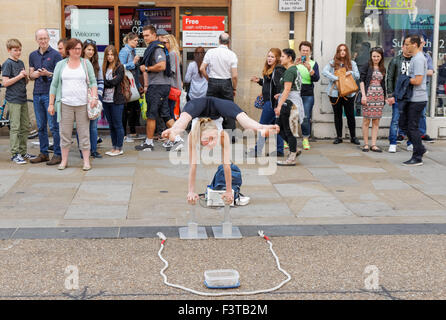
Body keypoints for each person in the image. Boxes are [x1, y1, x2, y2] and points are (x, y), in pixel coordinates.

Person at [161, 97, 279, 204]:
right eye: (207, 140)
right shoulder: (193, 135)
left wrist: (229, 191)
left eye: (213, 138)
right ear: (200, 136)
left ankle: (260, 127)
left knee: (243, 121)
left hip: (219, 105)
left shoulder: (223, 135)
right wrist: (190, 191)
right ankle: (174, 130)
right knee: (184, 119)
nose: (211, 143)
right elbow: (193, 166)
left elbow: (226, 165)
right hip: (197, 106)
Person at [48, 38, 98, 171]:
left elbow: (93, 82)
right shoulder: (60, 64)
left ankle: (86, 161)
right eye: (75, 48)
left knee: (84, 134)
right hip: (65, 104)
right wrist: (51, 104)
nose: (78, 51)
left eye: (79, 48)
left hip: (82, 104)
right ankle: (64, 161)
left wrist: (94, 97)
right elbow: (54, 85)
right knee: (64, 134)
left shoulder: (86, 64)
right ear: (68, 50)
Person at [136, 25, 175, 152]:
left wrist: (147, 68)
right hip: (160, 85)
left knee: (151, 115)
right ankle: (179, 138)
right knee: (165, 115)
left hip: (158, 86)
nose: (145, 38)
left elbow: (162, 65)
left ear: (154, 35)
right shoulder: (153, 48)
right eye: (144, 36)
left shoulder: (157, 48)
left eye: (147, 35)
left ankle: (149, 142)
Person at [28, 29, 62, 165]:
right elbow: (30, 75)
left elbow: (59, 76)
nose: (43, 41)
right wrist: (35, 74)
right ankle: (43, 153)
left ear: (49, 39)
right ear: (36, 40)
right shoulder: (32, 55)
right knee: (41, 126)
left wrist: (48, 73)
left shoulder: (56, 55)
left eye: (45, 38)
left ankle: (58, 154)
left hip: (50, 94)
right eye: (40, 39)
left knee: (53, 126)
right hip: (37, 94)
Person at [200, 33, 238, 136]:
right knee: (229, 108)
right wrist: (234, 88)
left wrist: (209, 79)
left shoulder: (211, 52)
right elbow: (234, 76)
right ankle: (231, 136)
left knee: (211, 108)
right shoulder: (232, 54)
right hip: (226, 82)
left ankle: (210, 134)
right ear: (229, 42)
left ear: (219, 41)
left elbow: (201, 68)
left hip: (213, 82)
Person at [249, 48, 285, 157]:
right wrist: (260, 81)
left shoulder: (277, 70)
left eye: (272, 57)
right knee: (275, 127)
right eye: (268, 56)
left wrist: (278, 101)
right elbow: (269, 84)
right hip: (269, 102)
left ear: (277, 58)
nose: (269, 58)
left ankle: (257, 150)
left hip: (271, 103)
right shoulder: (269, 69)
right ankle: (279, 150)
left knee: (263, 126)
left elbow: (279, 86)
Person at [399, 34, 428, 166]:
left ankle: (417, 156)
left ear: (414, 45)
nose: (405, 47)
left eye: (407, 44)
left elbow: (418, 80)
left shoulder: (418, 59)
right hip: (413, 98)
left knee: (412, 127)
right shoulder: (416, 58)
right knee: (405, 125)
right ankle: (420, 149)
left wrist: (404, 80)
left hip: (417, 99)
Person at [322, 44, 360, 145]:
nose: (342, 52)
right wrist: (337, 77)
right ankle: (339, 137)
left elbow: (357, 75)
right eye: (340, 50)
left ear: (347, 52)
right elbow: (324, 72)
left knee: (350, 115)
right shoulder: (332, 63)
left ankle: (353, 137)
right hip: (335, 93)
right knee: (337, 115)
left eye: (344, 50)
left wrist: (350, 72)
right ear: (337, 52)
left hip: (349, 93)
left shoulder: (352, 63)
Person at [1, 38, 32, 164]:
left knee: (25, 126)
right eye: (15, 50)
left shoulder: (21, 63)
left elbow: (24, 81)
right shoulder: (7, 63)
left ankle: (23, 152)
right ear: (9, 50)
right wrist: (19, 76)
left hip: (22, 98)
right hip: (13, 99)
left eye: (19, 50)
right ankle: (15, 154)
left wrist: (25, 78)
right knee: (15, 127)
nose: (18, 52)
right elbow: (5, 82)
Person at [274, 48, 305, 166]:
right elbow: (290, 89)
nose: (280, 58)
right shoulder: (291, 70)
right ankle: (294, 150)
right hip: (289, 101)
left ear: (289, 58)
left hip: (290, 104)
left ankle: (292, 157)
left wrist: (279, 105)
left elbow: (287, 89)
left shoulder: (290, 71)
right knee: (278, 128)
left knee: (288, 130)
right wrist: (280, 95)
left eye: (282, 56)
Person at [386, 38, 412, 153]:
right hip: (398, 95)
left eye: (409, 45)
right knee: (395, 119)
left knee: (411, 120)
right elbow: (390, 78)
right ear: (402, 47)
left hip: (411, 95)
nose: (407, 47)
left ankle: (410, 142)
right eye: (405, 45)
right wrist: (390, 94)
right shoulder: (396, 60)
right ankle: (392, 142)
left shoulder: (415, 60)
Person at [80, 39, 104, 159]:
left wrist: (98, 96)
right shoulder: (78, 63)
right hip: (81, 98)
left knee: (93, 127)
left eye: (93, 50)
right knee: (82, 126)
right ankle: (83, 150)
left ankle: (93, 150)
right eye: (89, 49)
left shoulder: (96, 64)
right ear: (83, 49)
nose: (91, 52)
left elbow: (100, 81)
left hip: (93, 98)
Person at [359, 47, 386, 153]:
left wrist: (385, 97)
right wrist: (363, 95)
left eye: (378, 56)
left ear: (381, 57)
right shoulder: (367, 65)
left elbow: (383, 83)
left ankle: (373, 144)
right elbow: (361, 80)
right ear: (371, 56)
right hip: (368, 95)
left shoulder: (382, 67)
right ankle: (366, 144)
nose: (376, 58)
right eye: (374, 56)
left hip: (379, 96)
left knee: (376, 121)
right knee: (366, 120)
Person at [295, 41, 320, 150]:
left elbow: (316, 79)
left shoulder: (314, 63)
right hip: (295, 92)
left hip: (308, 93)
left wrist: (310, 69)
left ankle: (305, 138)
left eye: (307, 51)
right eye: (303, 50)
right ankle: (289, 138)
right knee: (292, 116)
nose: (305, 52)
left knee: (305, 117)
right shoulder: (295, 63)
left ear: (310, 52)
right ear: (300, 51)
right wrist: (293, 65)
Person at [161, 33, 184, 151]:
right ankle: (172, 138)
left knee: (170, 114)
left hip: (172, 88)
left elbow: (171, 72)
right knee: (170, 113)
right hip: (173, 88)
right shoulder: (172, 54)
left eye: (165, 42)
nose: (163, 45)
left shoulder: (172, 54)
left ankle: (175, 138)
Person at [119, 32, 143, 143]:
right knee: (126, 109)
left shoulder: (133, 51)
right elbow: (120, 67)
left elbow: (136, 72)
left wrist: (139, 85)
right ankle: (124, 134)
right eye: (135, 40)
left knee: (135, 108)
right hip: (126, 84)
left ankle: (132, 132)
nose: (137, 42)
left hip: (133, 84)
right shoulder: (124, 51)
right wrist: (133, 62)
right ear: (129, 40)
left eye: (137, 41)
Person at [102, 45, 126, 157]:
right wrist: (107, 82)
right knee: (111, 125)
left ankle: (119, 147)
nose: (110, 57)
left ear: (115, 55)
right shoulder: (104, 68)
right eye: (108, 54)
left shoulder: (119, 67)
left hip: (116, 100)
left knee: (118, 124)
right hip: (106, 100)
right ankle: (114, 147)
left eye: (112, 54)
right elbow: (107, 82)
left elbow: (114, 82)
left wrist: (105, 82)